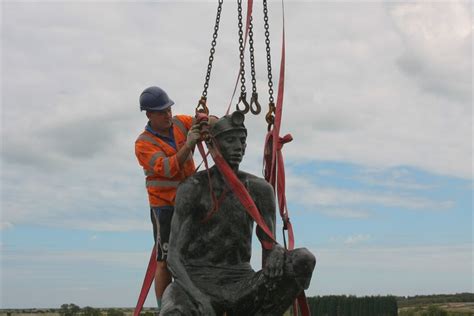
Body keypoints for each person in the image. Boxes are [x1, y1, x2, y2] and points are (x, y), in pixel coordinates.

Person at [161, 111, 316, 316]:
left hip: (241, 283)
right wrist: (198, 298)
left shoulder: (260, 189)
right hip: (198, 280)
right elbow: (173, 256)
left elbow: (268, 247)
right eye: (230, 140)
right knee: (174, 313)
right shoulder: (193, 188)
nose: (238, 147)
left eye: (242, 141)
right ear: (213, 145)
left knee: (303, 259)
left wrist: (276, 252)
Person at [135, 86, 202, 315]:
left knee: (196, 255)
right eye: (162, 111)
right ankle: (165, 309)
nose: (167, 115)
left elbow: (201, 121)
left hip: (190, 202)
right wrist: (189, 144)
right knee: (164, 260)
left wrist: (207, 119)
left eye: (169, 109)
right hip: (164, 207)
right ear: (149, 115)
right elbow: (168, 168)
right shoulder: (143, 144)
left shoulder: (181, 124)